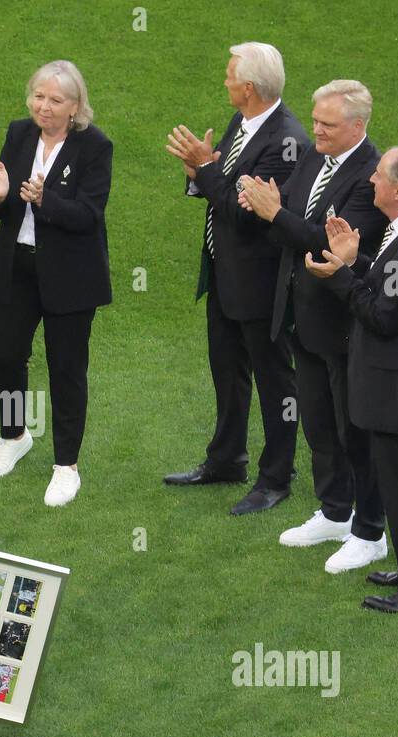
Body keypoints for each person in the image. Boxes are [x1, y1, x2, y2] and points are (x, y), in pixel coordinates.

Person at [237, 80, 390, 572]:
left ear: (357, 126)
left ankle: (371, 532)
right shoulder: (316, 158)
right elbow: (294, 219)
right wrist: (268, 205)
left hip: (344, 324)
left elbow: (330, 245)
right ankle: (335, 511)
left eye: (327, 124)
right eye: (316, 120)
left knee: (355, 430)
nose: (316, 130)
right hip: (302, 316)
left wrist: (274, 212)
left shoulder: (372, 175)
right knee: (321, 425)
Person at [303, 147, 398, 612]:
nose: (370, 180)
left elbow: (384, 317)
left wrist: (340, 274)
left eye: (377, 175)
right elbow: (392, 292)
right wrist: (358, 262)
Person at [164, 42, 309, 515]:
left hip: (261, 285)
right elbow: (221, 189)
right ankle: (226, 460)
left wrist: (206, 169)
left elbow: (246, 214)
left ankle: (276, 476)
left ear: (248, 88)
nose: (224, 81)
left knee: (273, 381)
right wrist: (198, 172)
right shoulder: (246, 123)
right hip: (226, 276)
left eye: (229, 75)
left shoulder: (285, 142)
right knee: (228, 374)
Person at [0, 60, 113, 507]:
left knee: (66, 369)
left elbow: (89, 215)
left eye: (55, 100)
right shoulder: (19, 133)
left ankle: (66, 466)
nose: (44, 107)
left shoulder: (95, 146)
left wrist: (44, 200)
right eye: (39, 96)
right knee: (6, 355)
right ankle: (14, 436)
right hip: (17, 266)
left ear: (75, 106)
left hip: (70, 277)